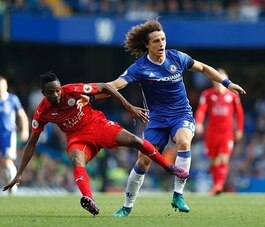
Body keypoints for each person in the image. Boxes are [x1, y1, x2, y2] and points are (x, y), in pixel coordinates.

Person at [84, 19, 246, 216]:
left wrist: (227, 83)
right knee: (143, 161)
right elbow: (115, 85)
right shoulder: (140, 67)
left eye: (163, 39)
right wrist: (89, 94)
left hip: (181, 115)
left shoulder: (177, 57)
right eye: (156, 41)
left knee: (184, 142)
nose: (161, 44)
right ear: (147, 45)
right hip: (156, 120)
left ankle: (178, 194)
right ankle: (126, 207)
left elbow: (203, 68)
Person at [2, 71, 188, 216]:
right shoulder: (41, 112)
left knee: (136, 141)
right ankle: (89, 199)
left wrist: (129, 107)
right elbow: (32, 143)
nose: (56, 94)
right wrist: (19, 173)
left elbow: (106, 87)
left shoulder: (73, 90)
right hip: (78, 138)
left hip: (98, 126)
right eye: (51, 92)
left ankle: (168, 167)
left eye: (58, 90)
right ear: (44, 93)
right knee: (76, 159)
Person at [194, 69, 244, 195]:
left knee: (223, 158)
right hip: (212, 132)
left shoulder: (232, 96)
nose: (219, 83)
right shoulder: (207, 95)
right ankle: (217, 184)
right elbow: (201, 110)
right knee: (213, 160)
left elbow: (239, 114)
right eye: (217, 80)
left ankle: (218, 185)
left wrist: (239, 129)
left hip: (227, 133)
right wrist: (198, 123)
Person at [0, 75, 29, 194]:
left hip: (8, 134)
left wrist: (25, 129)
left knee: (7, 160)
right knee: (3, 162)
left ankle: (13, 185)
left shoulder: (12, 99)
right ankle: (9, 184)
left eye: (2, 85)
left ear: (6, 86)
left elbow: (22, 115)